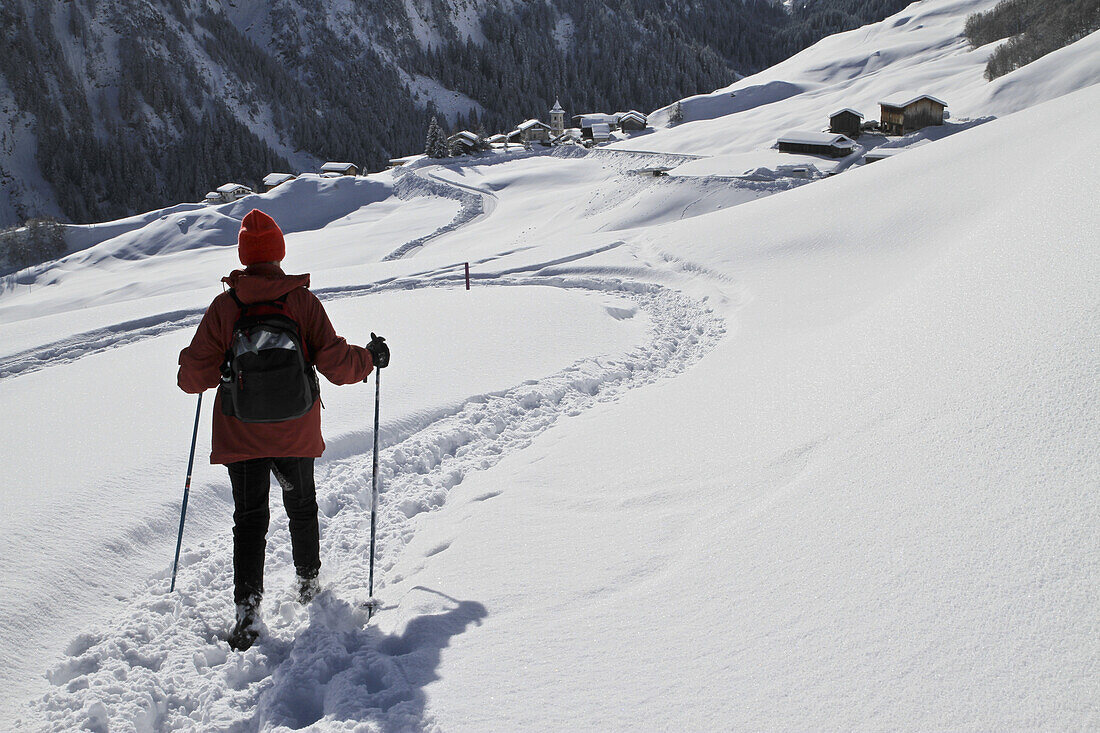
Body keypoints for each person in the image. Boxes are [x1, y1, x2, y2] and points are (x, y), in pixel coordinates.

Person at [177, 209, 389, 651]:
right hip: (294, 428)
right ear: (279, 252)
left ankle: (247, 612)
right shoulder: (301, 302)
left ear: (244, 255)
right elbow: (334, 363)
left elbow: (191, 380)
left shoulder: (226, 307)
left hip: (241, 433)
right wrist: (370, 358)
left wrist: (200, 360)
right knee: (302, 505)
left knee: (250, 519)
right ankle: (309, 582)